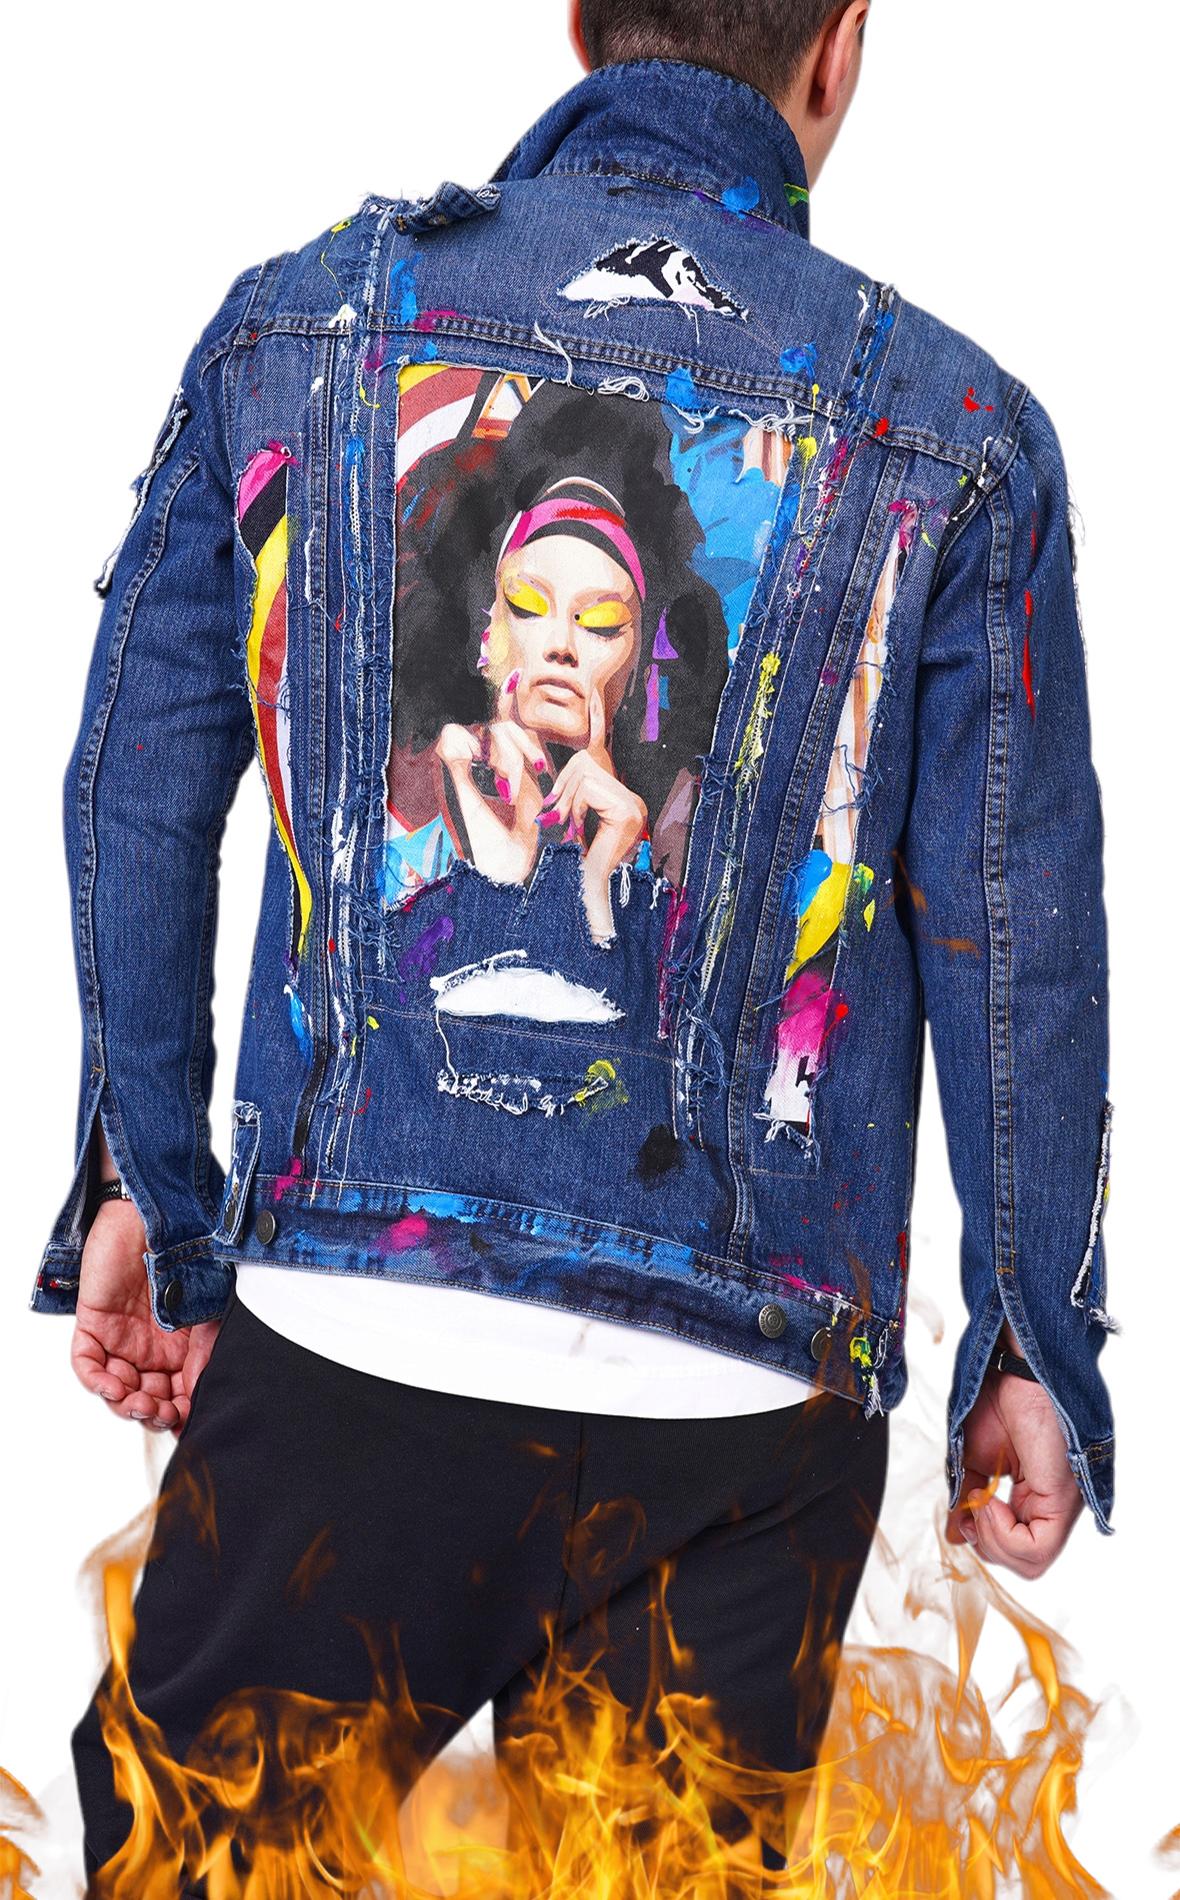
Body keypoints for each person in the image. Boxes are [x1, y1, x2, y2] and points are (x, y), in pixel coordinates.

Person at [34, 1, 1115, 1889]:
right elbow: (1012, 933)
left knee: (191, 1867)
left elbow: (136, 777)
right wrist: (1028, 1337)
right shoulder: (953, 431)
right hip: (747, 1418)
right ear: (841, 44)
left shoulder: (306, 325)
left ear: (578, 16)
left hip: (356, 1344)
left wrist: (145, 1181)